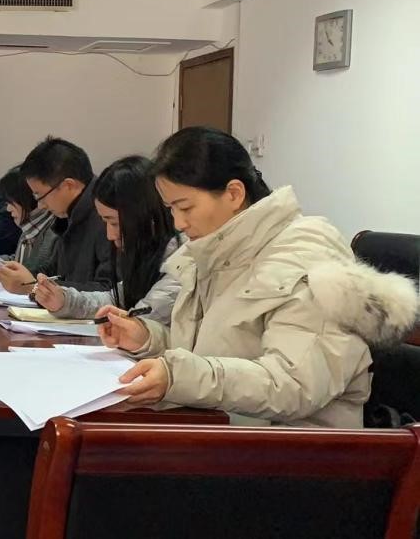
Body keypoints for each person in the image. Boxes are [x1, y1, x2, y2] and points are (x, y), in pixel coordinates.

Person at [99, 127, 418, 427]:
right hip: (225, 433)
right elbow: (211, 353)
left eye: (185, 207)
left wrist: (178, 376)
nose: (178, 223)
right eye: (171, 209)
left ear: (234, 193)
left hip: (297, 450)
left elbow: (294, 385)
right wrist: (147, 339)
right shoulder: (215, 252)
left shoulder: (304, 257)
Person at [32, 155, 183, 324]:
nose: (110, 235)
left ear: (145, 215)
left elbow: (143, 321)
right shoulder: (147, 254)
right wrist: (64, 300)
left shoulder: (181, 261)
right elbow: (115, 299)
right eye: (106, 222)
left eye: (114, 223)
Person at [0, 137, 111, 292]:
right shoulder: (69, 215)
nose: (41, 204)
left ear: (68, 185)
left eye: (39, 195)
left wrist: (33, 286)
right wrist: (19, 276)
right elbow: (55, 271)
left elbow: (109, 292)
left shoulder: (106, 217)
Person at [0, 166, 58, 275]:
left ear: (26, 198)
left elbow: (38, 274)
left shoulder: (54, 233)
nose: (8, 209)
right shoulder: (30, 226)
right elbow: (20, 261)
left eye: (10, 202)